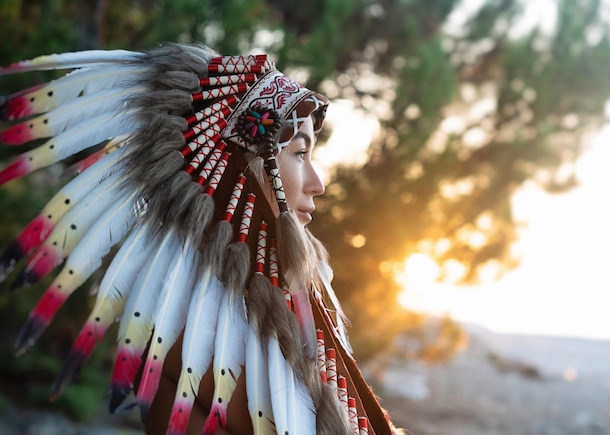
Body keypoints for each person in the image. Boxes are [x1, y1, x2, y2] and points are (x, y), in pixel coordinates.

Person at [0, 43, 400, 434]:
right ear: (245, 170)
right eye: (299, 154)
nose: (318, 184)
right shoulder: (195, 336)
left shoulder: (278, 311)